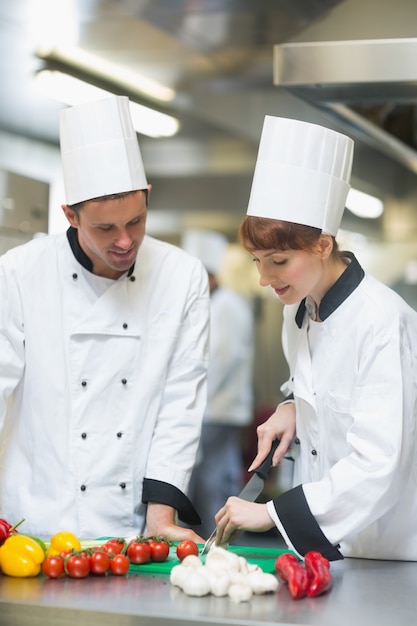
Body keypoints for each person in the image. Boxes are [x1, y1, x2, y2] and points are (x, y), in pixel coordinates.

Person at [0, 95, 210, 542]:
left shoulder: (181, 276)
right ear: (70, 215)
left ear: (148, 195)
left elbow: (180, 403)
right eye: (105, 228)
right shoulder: (18, 273)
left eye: (136, 221)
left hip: (131, 528)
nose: (125, 241)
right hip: (33, 522)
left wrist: (161, 517)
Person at [213, 115, 417, 561]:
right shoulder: (300, 312)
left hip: (390, 552)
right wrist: (295, 410)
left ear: (323, 246)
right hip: (331, 550)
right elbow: (334, 403)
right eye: (257, 261)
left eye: (279, 261)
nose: (265, 278)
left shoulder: (383, 321)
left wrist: (271, 514)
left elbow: (380, 464)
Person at [182, 230, 254, 538]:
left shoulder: (227, 306)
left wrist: (191, 400)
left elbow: (221, 361)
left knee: (213, 480)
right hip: (210, 408)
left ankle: (216, 542)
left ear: (210, 275)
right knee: (206, 478)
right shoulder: (211, 304)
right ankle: (209, 541)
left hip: (219, 409)